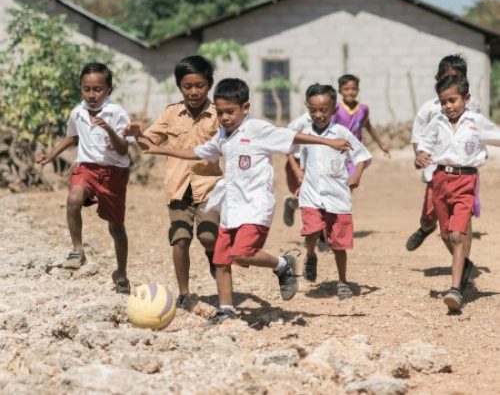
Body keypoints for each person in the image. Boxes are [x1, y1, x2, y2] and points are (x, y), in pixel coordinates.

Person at [135, 78, 353, 323]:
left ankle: (283, 264)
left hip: (256, 205)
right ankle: (226, 310)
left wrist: (329, 141)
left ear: (245, 108)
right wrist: (157, 149)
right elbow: (195, 153)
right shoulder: (222, 136)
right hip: (231, 206)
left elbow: (293, 137)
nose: (225, 117)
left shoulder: (258, 129)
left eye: (230, 112)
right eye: (220, 112)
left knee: (242, 253)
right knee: (220, 260)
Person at [125, 56, 222, 310]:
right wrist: (137, 135)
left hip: (209, 187)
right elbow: (149, 144)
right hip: (178, 188)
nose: (193, 91)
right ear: (180, 87)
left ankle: (214, 257)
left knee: (208, 236)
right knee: (180, 239)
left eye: (199, 85)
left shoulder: (218, 115)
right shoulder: (171, 113)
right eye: (187, 86)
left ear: (209, 85)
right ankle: (184, 292)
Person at [37, 62, 132, 294]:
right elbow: (71, 137)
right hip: (86, 168)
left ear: (109, 89)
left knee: (116, 228)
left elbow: (123, 151)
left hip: (113, 173)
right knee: (73, 199)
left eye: (97, 89)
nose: (91, 94)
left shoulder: (117, 113)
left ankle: (121, 273)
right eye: (86, 89)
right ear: (81, 88)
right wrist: (51, 154)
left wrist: (109, 129)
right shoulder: (77, 112)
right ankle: (78, 249)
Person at [416, 75, 500, 312]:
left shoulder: (476, 122)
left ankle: (454, 290)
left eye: (452, 100)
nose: (448, 106)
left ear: (467, 98)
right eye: (443, 102)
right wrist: (421, 154)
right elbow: (425, 143)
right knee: (445, 235)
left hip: (466, 180)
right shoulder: (438, 121)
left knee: (457, 235)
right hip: (441, 180)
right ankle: (465, 266)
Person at [298, 84, 371, 297]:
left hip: (337, 196)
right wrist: (300, 180)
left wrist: (356, 175)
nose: (318, 115)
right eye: (313, 110)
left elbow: (362, 156)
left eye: (324, 110)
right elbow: (302, 161)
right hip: (311, 194)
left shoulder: (342, 133)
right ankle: (311, 255)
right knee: (311, 230)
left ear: (334, 109)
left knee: (339, 243)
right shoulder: (305, 134)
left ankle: (342, 281)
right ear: (307, 107)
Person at [406, 55, 480, 257]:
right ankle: (426, 228)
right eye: (447, 77)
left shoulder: (471, 107)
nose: (452, 83)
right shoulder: (430, 108)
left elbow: (480, 134)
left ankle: (463, 263)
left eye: (457, 77)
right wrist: (419, 157)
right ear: (437, 78)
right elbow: (418, 137)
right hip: (436, 173)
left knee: (464, 220)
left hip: (464, 174)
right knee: (431, 217)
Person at [332, 74, 390, 177]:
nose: (350, 92)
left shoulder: (363, 109)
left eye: (353, 89)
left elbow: (368, 126)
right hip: (337, 151)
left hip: (355, 152)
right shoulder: (335, 108)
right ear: (340, 91)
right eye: (346, 89)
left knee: (352, 180)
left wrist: (381, 144)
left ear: (358, 90)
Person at [283, 112, 311, 226]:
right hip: (299, 162)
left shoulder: (333, 121)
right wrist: (295, 168)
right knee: (304, 198)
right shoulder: (300, 122)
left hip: (318, 163)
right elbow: (285, 143)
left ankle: (317, 234)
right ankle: (291, 204)